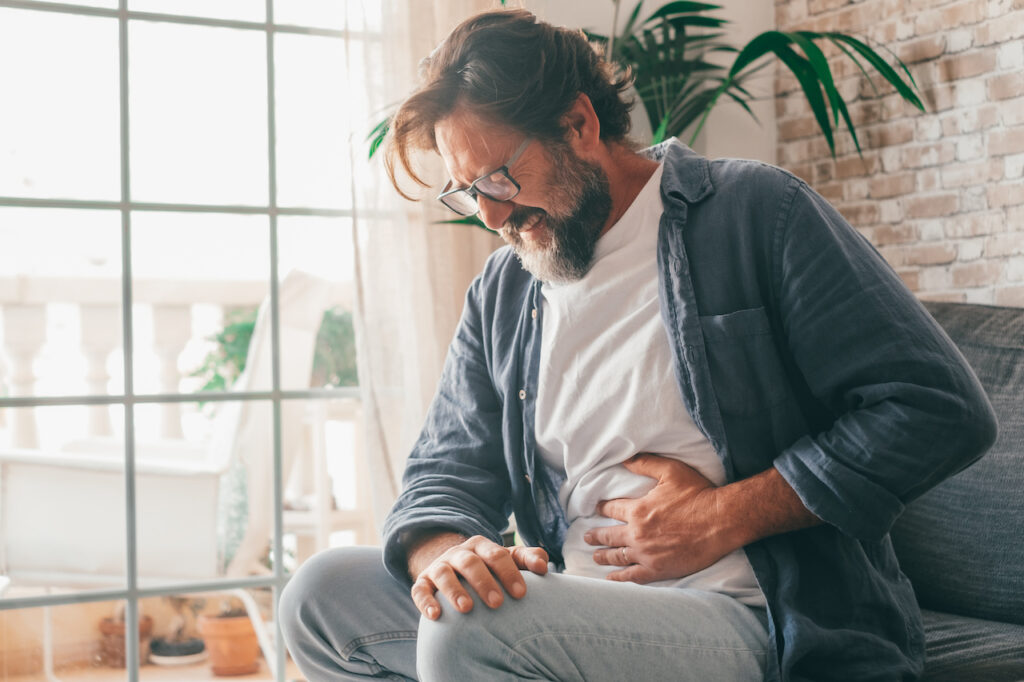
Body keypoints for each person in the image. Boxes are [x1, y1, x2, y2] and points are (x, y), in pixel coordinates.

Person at [280, 9, 997, 682]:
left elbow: (936, 406)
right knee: (321, 596)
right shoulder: (504, 289)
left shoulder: (755, 212)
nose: (492, 216)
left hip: (760, 619)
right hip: (571, 606)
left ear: (579, 124)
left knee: (471, 633)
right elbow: (445, 468)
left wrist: (724, 515)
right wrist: (448, 554)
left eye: (499, 176)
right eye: (467, 192)